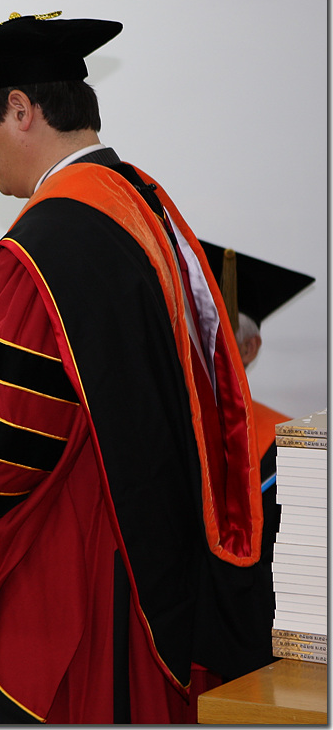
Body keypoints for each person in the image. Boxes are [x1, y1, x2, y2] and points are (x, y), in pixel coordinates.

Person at [0, 12, 267, 723]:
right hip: (156, 538)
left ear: (21, 109)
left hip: (87, 555)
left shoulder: (43, 242)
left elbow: (3, 453)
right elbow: (91, 388)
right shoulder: (141, 201)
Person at [199, 241, 315, 666]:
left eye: (214, 334)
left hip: (249, 670)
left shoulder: (294, 448)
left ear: (249, 349)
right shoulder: (152, 431)